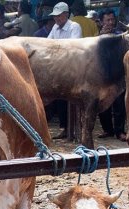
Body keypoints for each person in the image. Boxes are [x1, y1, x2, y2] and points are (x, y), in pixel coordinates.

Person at [47, 2, 80, 139]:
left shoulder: (74, 26)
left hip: (73, 69)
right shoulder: (55, 27)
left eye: (59, 16)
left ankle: (76, 130)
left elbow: (73, 47)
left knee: (74, 100)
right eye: (55, 16)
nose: (56, 19)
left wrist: (56, 48)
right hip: (59, 69)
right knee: (61, 99)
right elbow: (47, 44)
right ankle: (64, 128)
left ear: (66, 15)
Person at [97, 9, 127, 142]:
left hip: (119, 74)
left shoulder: (121, 35)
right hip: (103, 76)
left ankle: (119, 131)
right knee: (103, 104)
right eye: (107, 20)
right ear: (101, 22)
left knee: (119, 104)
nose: (110, 22)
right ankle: (107, 130)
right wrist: (100, 37)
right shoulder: (97, 37)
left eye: (112, 19)